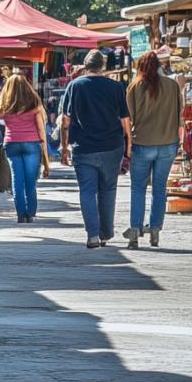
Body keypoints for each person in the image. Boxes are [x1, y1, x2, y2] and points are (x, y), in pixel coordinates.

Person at [60, 49, 132, 248]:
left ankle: (92, 235)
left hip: (83, 147)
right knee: (108, 189)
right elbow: (126, 120)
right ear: (103, 66)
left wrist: (64, 147)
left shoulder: (74, 86)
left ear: (85, 65)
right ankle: (105, 233)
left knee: (87, 191)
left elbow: (66, 120)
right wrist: (129, 147)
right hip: (112, 146)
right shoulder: (116, 87)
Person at [122, 51, 183, 248]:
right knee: (160, 189)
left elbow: (127, 118)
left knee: (138, 188)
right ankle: (155, 229)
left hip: (142, 144)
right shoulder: (173, 85)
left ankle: (134, 230)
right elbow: (179, 113)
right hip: (168, 143)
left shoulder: (135, 87)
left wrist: (128, 144)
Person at [0, 75, 50, 222]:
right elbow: (41, 129)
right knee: (30, 181)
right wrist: (45, 153)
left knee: (17, 180)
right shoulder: (34, 104)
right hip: (32, 143)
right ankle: (31, 212)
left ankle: (21, 214)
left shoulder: (4, 105)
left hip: (11, 143)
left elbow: (0, 117)